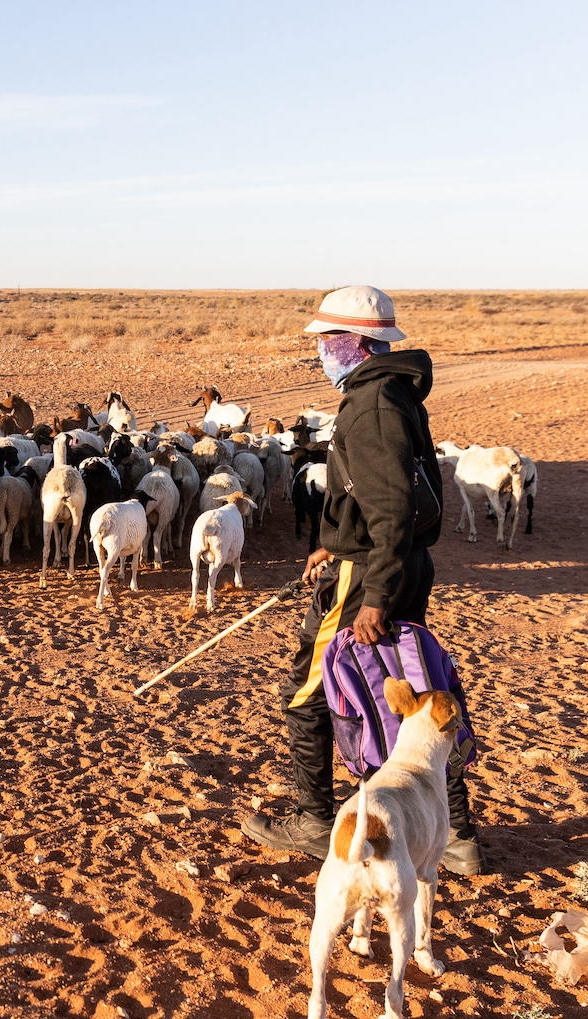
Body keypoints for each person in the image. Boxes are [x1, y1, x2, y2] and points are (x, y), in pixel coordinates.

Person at [242, 285, 486, 875]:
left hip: (369, 571)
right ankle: (455, 835)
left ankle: (314, 819)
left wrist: (373, 594)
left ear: (358, 341)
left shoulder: (372, 404)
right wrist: (332, 536)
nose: (323, 349)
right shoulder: (394, 390)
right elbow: (379, 491)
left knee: (306, 694)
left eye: (329, 338)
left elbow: (392, 507)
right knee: (411, 690)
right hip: (392, 559)